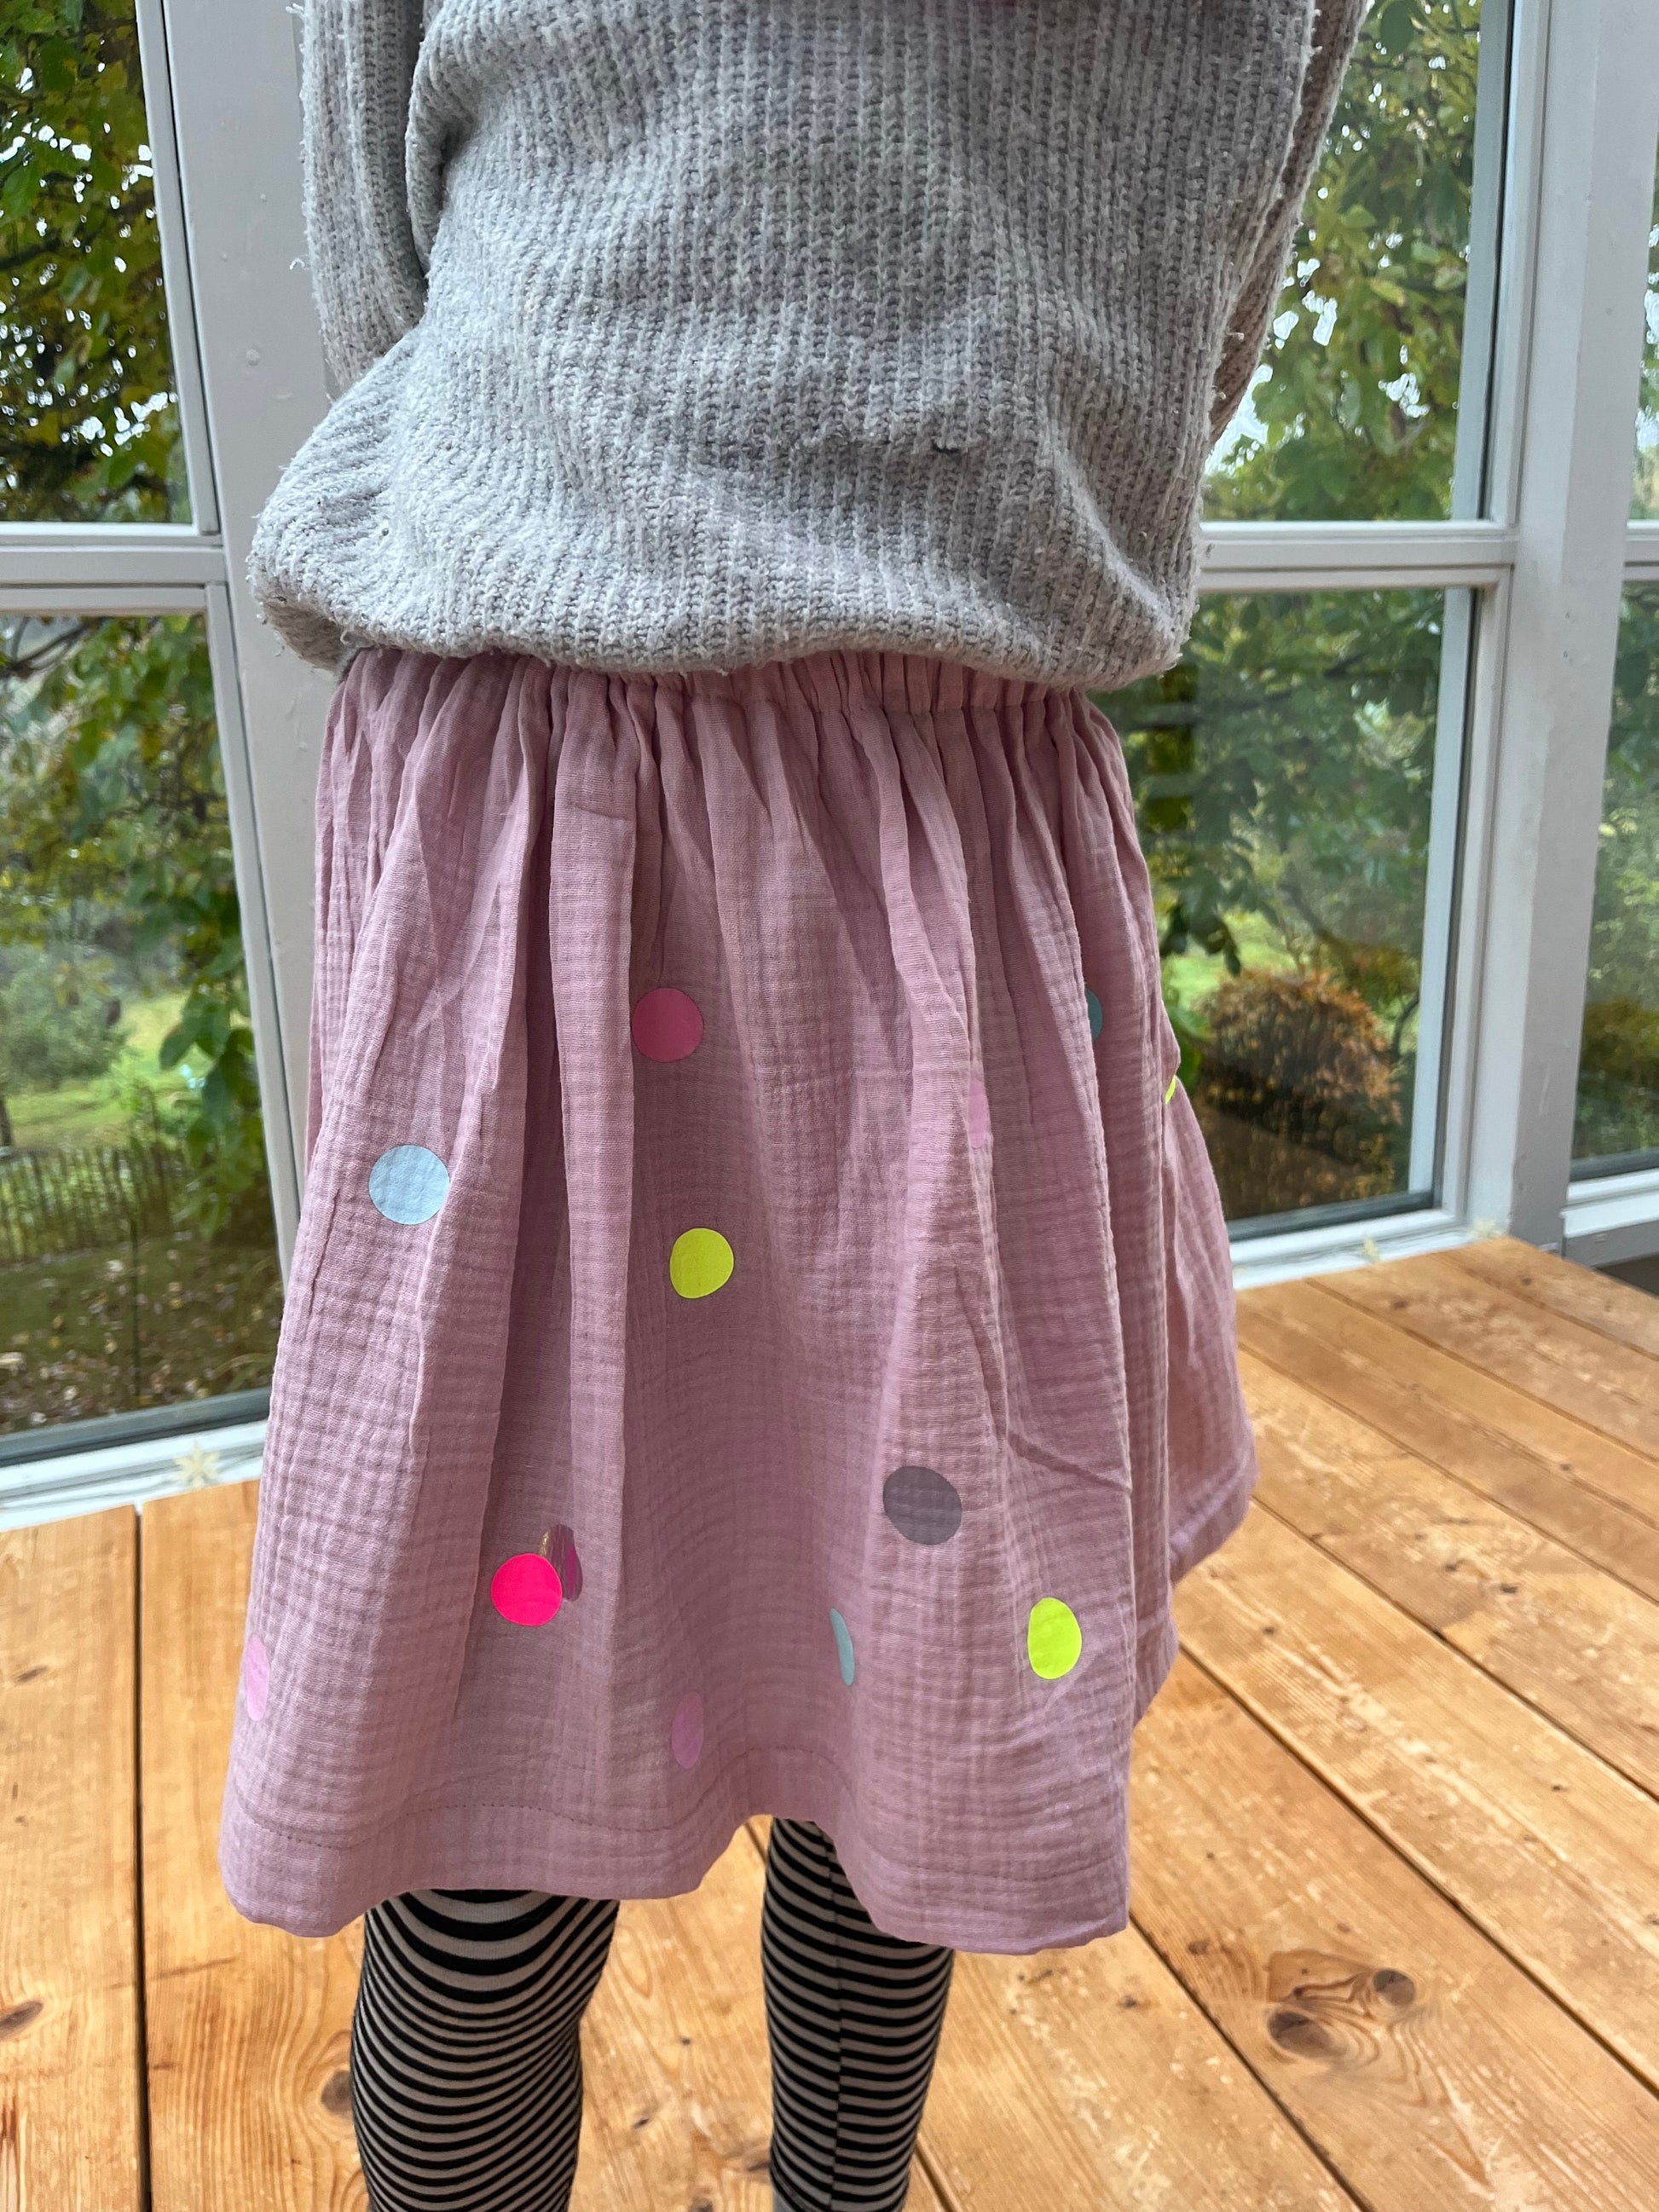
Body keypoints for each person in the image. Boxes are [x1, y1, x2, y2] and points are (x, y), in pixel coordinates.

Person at [220, 3, 1367, 2206]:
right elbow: (1202, 313)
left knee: (890, 1670)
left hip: (856, 802)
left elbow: (383, 254)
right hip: (588, 817)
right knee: (506, 1746)